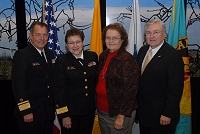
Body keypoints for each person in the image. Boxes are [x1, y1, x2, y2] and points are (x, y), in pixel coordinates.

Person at [136, 19, 184, 134]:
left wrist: (168, 113)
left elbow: (175, 88)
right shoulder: (142, 51)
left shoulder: (173, 55)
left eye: (156, 32)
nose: (151, 36)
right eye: (148, 32)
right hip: (145, 114)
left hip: (162, 117)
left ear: (164, 34)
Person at [12, 21, 55, 134]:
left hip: (47, 112)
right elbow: (18, 85)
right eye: (38, 34)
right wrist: (26, 111)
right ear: (30, 36)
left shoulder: (50, 54)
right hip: (31, 113)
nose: (42, 38)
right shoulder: (22, 55)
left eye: (45, 35)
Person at [96, 23, 140, 134]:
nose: (111, 41)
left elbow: (131, 91)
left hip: (118, 114)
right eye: (108, 37)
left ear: (122, 40)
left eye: (115, 38)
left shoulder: (127, 60)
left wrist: (121, 115)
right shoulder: (103, 56)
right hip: (102, 111)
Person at [53, 28, 98, 134]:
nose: (75, 45)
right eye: (71, 43)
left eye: (78, 42)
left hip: (89, 110)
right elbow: (58, 90)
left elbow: (95, 82)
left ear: (83, 42)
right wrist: (64, 115)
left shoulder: (93, 56)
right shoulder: (62, 61)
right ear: (67, 45)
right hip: (71, 113)